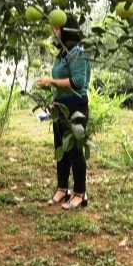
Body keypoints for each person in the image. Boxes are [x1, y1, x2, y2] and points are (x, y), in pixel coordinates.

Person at [36, 14, 91, 210]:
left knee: (75, 150)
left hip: (76, 106)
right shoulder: (62, 55)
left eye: (58, 28)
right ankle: (62, 189)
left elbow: (78, 83)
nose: (55, 32)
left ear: (68, 30)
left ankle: (80, 194)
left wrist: (51, 81)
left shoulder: (78, 53)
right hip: (60, 106)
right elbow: (62, 85)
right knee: (61, 149)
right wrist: (53, 101)